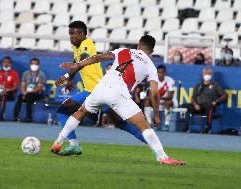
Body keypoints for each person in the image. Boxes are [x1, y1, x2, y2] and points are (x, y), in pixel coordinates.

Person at [52, 35, 186, 165]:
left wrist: (77, 65)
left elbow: (98, 57)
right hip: (119, 93)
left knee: (80, 112)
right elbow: (155, 93)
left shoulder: (122, 51)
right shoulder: (150, 65)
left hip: (101, 88)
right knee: (144, 125)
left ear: (139, 45)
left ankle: (58, 142)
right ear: (152, 51)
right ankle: (163, 157)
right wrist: (156, 114)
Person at [55, 21, 150, 156]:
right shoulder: (77, 47)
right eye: (69, 34)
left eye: (73, 34)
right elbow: (77, 64)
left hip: (95, 90)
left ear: (82, 34)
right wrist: (70, 79)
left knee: (63, 111)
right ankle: (153, 143)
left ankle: (74, 145)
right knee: (120, 123)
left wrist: (66, 75)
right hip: (99, 90)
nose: (71, 37)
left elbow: (83, 59)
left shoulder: (86, 44)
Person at [181, 68, 228, 133]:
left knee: (209, 106)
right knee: (184, 106)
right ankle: (185, 126)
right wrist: (195, 105)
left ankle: (208, 127)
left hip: (209, 106)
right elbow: (192, 97)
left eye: (208, 74)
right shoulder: (198, 85)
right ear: (202, 74)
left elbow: (225, 95)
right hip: (197, 107)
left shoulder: (215, 85)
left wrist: (216, 101)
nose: (206, 75)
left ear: (211, 75)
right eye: (205, 73)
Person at [13, 58, 46, 122]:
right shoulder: (26, 73)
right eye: (33, 64)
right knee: (20, 97)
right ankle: (15, 116)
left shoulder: (41, 75)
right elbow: (23, 85)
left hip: (38, 93)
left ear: (39, 65)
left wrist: (28, 93)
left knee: (29, 96)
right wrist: (23, 92)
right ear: (30, 65)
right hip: (27, 92)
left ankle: (29, 117)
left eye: (36, 64)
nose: (34, 65)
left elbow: (39, 87)